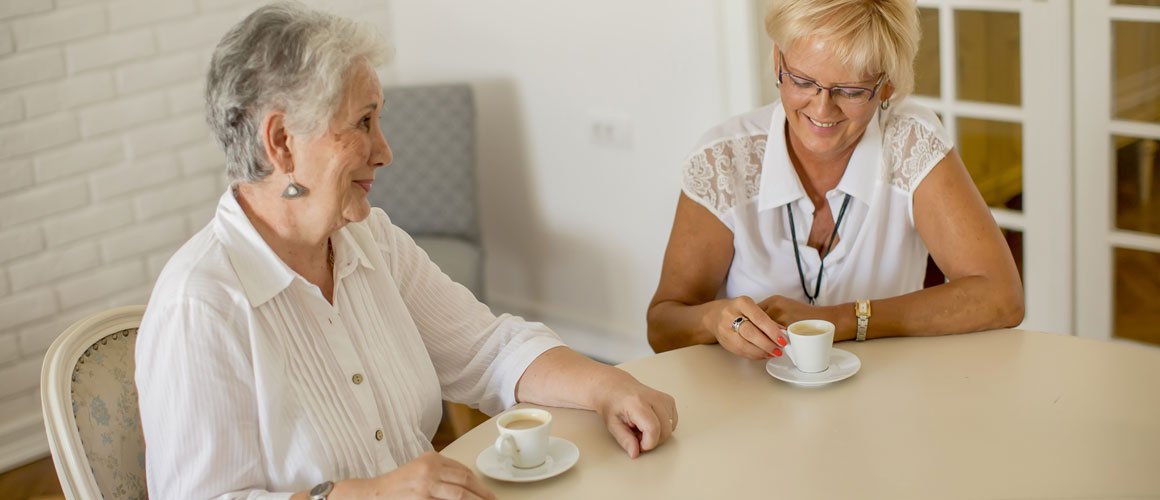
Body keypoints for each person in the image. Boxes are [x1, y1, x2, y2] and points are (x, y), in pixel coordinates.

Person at [135, 3, 677, 498]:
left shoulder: (373, 243)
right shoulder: (199, 305)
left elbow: (488, 350)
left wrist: (609, 384)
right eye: (363, 123)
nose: (386, 152)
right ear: (280, 142)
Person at [647, 0, 1024, 360]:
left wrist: (840, 319)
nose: (823, 109)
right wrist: (713, 320)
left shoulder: (912, 143)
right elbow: (662, 325)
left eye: (850, 90)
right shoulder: (724, 158)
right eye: (803, 81)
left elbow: (1001, 297)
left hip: (887, 393)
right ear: (778, 60)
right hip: (750, 397)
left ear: (887, 86)